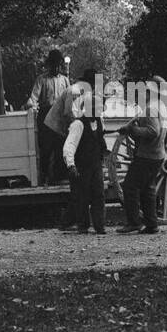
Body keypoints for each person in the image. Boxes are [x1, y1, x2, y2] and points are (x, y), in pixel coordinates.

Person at [116, 76, 167, 234]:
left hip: (147, 155)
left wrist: (133, 130)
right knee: (148, 189)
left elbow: (153, 131)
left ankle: (134, 222)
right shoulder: (159, 106)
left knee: (130, 186)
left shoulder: (150, 108)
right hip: (157, 155)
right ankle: (152, 224)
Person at [62, 95, 108, 235]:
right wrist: (71, 165)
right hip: (81, 166)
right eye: (97, 109)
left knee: (99, 195)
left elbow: (101, 140)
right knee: (82, 196)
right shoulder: (78, 124)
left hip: (95, 164)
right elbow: (69, 146)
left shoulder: (100, 121)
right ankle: (82, 226)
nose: (100, 112)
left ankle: (100, 226)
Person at [26, 49, 69, 185]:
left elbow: (70, 99)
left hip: (61, 116)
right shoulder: (42, 80)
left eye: (58, 65)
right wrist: (32, 111)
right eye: (53, 65)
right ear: (49, 65)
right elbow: (33, 99)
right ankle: (44, 176)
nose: (56, 68)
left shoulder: (65, 80)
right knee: (46, 147)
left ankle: (59, 177)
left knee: (61, 146)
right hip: (46, 115)